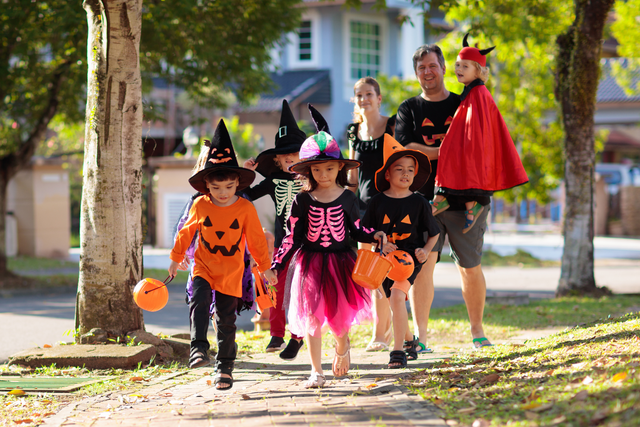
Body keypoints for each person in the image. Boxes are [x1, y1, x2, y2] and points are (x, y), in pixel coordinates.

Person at [270, 105, 387, 388]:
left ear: (340, 168)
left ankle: (342, 345)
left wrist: (377, 235)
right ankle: (316, 371)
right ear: (308, 170)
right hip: (310, 263)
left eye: (330, 168)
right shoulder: (302, 200)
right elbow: (291, 236)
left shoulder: (347, 198)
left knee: (337, 317)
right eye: (318, 169)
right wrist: (276, 264)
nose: (323, 174)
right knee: (311, 317)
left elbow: (356, 228)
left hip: (340, 262)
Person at [395, 43, 492, 350]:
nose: (427, 72)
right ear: (416, 73)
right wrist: (444, 151)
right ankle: (421, 338)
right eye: (421, 67)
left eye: (432, 66)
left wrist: (436, 153)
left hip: (466, 196)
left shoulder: (464, 101)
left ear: (444, 68)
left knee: (469, 264)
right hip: (423, 199)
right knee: (422, 264)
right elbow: (405, 147)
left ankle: (477, 331)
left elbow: (479, 139)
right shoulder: (408, 109)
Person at [168, 119, 277, 390]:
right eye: (216, 188)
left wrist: (265, 267)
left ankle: (225, 367)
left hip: (231, 271)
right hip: (204, 265)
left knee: (226, 320)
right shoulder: (201, 205)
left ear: (237, 183)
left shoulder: (244, 208)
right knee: (199, 301)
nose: (223, 193)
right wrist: (175, 257)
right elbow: (186, 232)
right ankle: (198, 349)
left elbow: (256, 241)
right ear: (206, 186)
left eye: (229, 187)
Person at [432, 34, 528, 233]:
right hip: (469, 143)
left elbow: (476, 129)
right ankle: (444, 198)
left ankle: (462, 203)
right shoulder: (471, 92)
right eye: (457, 65)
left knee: (457, 154)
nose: (458, 69)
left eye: (465, 66)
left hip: (475, 145)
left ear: (479, 70)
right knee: (449, 151)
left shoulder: (479, 94)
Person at [362, 134, 440, 368]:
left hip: (408, 259)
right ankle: (409, 342)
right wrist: (376, 241)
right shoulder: (377, 202)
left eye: (410, 169)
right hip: (382, 260)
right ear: (387, 174)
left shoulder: (419, 203)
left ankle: (397, 352)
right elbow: (364, 230)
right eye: (399, 169)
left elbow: (434, 233)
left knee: (397, 297)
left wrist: (425, 251)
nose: (405, 173)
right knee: (393, 302)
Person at [243, 100, 306, 359]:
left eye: (295, 154)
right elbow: (246, 195)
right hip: (283, 244)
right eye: (285, 156)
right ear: (277, 161)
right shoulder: (273, 181)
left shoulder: (313, 178)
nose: (290, 158)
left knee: (303, 291)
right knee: (277, 289)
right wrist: (246, 174)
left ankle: (298, 336)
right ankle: (277, 333)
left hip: (308, 244)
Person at [347, 76, 396, 352]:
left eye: (369, 94)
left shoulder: (392, 126)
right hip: (363, 209)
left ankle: (388, 332)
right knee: (370, 272)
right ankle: (382, 332)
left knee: (391, 269)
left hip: (389, 207)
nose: (364, 99)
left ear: (379, 98)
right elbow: (353, 175)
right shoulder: (353, 131)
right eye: (359, 96)